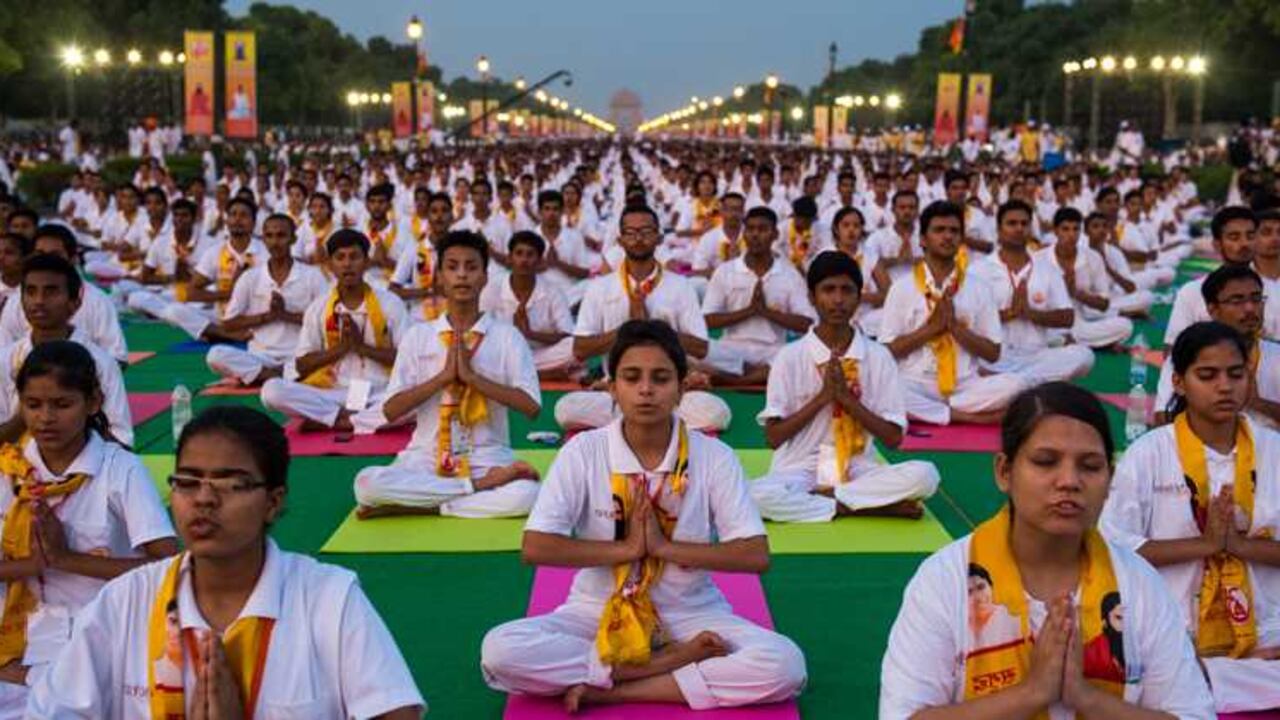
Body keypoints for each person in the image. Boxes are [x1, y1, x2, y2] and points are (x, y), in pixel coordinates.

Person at [481, 319, 807, 712]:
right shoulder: (583, 452)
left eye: (661, 378)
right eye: (632, 378)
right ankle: (669, 665)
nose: (646, 390)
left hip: (691, 613)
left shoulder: (714, 456)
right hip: (597, 610)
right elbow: (535, 546)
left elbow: (755, 555)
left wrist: (664, 547)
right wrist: (628, 549)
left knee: (784, 665)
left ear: (682, 387)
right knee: (500, 651)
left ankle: (617, 687)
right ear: (612, 387)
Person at [26, 405, 426, 718]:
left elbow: (395, 711)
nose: (204, 499)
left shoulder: (328, 598)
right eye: (187, 481)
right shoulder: (126, 600)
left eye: (229, 484)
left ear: (273, 501)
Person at [881, 382, 1216, 719]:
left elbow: (1194, 715)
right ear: (1004, 472)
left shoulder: (1138, 582)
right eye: (1046, 462)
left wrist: (1086, 698)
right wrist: (1031, 694)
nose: (1069, 480)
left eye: (1090, 466)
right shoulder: (945, 579)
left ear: (1110, 478)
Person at [1102, 322, 1280, 712]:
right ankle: (1215, 677)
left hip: (1267, 626)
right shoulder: (1149, 453)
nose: (1225, 386)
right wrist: (1205, 545)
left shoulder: (1273, 449)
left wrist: (1242, 546)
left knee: (1146, 688)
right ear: (1179, 383)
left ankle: (1206, 679)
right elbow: (1112, 548)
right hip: (1174, 628)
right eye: (1208, 375)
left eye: (1236, 375)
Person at [0, 341, 176, 717]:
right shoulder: (8, 469)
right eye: (33, 405)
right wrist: (31, 565)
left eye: (62, 404)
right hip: (21, 632)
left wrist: (66, 559)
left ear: (93, 403)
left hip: (104, 629)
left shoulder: (120, 469)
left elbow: (173, 569)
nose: (46, 418)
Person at [354, 231, 542, 519]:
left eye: (471, 267)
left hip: (487, 456)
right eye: (453, 267)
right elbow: (391, 411)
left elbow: (531, 407)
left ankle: (426, 503)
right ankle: (476, 488)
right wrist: (442, 379)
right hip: (425, 456)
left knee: (529, 496)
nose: (462, 275)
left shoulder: (507, 336)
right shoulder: (419, 335)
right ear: (439, 276)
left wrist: (473, 378)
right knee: (366, 483)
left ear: (485, 277)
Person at [749, 251, 939, 521]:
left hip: (858, 467)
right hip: (800, 468)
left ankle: (825, 502)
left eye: (846, 290)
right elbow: (773, 437)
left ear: (858, 297)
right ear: (812, 297)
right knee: (755, 497)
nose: (838, 300)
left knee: (926, 475)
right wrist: (823, 398)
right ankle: (857, 505)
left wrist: (848, 401)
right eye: (828, 290)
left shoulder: (878, 356)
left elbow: (893, 438)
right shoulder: (789, 357)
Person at [555, 205, 735, 433]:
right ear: (620, 240)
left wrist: (655, 331)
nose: (638, 238)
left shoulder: (680, 286)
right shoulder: (600, 288)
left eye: (646, 232)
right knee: (565, 409)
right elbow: (580, 349)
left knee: (717, 413)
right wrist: (629, 330)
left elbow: (700, 348)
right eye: (630, 233)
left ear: (659, 238)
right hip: (620, 389)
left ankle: (633, 421)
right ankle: (650, 420)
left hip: (666, 391)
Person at [879, 201, 1026, 425]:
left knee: (1017, 385)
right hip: (915, 382)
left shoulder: (978, 288)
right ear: (923, 239)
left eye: (954, 231)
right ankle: (963, 416)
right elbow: (886, 352)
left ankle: (934, 412)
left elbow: (993, 353)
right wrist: (931, 329)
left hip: (964, 385)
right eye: (939, 230)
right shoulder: (901, 287)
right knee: (880, 384)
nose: (947, 236)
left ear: (961, 239)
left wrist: (956, 330)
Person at [261, 229, 408, 434]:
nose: (347, 264)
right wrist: (340, 349)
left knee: (420, 398)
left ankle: (331, 419)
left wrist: (362, 348)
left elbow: (407, 359)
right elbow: (302, 365)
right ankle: (354, 420)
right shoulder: (318, 308)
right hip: (333, 391)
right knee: (272, 391)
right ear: (330, 265)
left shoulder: (391, 303)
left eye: (354, 257)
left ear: (366, 262)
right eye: (340, 258)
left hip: (379, 391)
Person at [0, 255, 132, 446]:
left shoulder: (100, 363)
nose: (38, 301)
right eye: (30, 292)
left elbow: (122, 441)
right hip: (13, 469)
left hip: (83, 470)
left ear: (75, 302)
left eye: (51, 292)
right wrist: (25, 413)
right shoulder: (6, 360)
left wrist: (82, 416)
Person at [969, 200, 1094, 384]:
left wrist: (1030, 314)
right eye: (1012, 223)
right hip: (994, 358)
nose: (1019, 228)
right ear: (999, 230)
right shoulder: (978, 270)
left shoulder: (1047, 269)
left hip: (1036, 356)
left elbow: (1067, 317)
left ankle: (1016, 383)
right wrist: (1007, 314)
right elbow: (966, 321)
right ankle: (1023, 385)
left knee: (1084, 356)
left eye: (1024, 224)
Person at [206, 214, 328, 387]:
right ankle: (275, 376)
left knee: (324, 362)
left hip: (299, 355)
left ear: (293, 238)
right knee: (215, 355)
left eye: (281, 235)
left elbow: (327, 321)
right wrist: (266, 317)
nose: (275, 242)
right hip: (260, 355)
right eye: (269, 236)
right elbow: (228, 324)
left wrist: (285, 315)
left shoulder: (312, 275)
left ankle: (261, 377)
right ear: (263, 239)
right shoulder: (250, 277)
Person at [702, 206, 815, 371]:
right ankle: (760, 376)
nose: (755, 235)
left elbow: (807, 323)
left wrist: (766, 313)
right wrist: (749, 311)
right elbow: (707, 321)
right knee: (694, 350)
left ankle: (736, 377)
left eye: (762, 229)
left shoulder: (789, 274)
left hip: (773, 351)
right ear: (743, 233)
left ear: (775, 234)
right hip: (731, 348)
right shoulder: (725, 271)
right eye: (750, 229)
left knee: (806, 356)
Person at [0, 225, 129, 365]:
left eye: (55, 255)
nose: (47, 260)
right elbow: (4, 357)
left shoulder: (98, 301)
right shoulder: (15, 301)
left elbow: (117, 358)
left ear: (73, 259)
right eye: (40, 254)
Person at [1165, 206, 1280, 345]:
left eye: (1250, 236)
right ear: (1217, 245)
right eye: (1234, 237)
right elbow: (1172, 349)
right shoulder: (1191, 292)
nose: (1244, 243)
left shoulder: (1273, 289)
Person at [479, 230, 578, 378]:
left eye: (530, 254)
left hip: (540, 355)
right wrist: (512, 337)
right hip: (503, 355)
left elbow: (566, 335)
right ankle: (540, 374)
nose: (524, 260)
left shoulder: (552, 291)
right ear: (509, 258)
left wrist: (530, 334)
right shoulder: (492, 288)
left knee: (574, 346)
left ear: (539, 261)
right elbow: (481, 331)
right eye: (519, 253)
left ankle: (521, 373)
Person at [1038, 208, 1136, 349]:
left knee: (1125, 325)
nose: (1071, 235)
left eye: (1075, 229)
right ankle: (1084, 343)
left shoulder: (1093, 258)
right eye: (1065, 229)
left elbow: (1104, 305)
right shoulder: (1039, 259)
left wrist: (1076, 294)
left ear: (1081, 231)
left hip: (1079, 324)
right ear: (1055, 231)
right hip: (1049, 325)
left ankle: (1070, 342)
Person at [389, 190, 452, 321]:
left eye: (444, 211)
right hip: (419, 322)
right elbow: (393, 289)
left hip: (452, 322)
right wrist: (428, 291)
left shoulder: (460, 250)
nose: (439, 216)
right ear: (427, 216)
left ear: (451, 216)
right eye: (434, 211)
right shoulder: (414, 249)